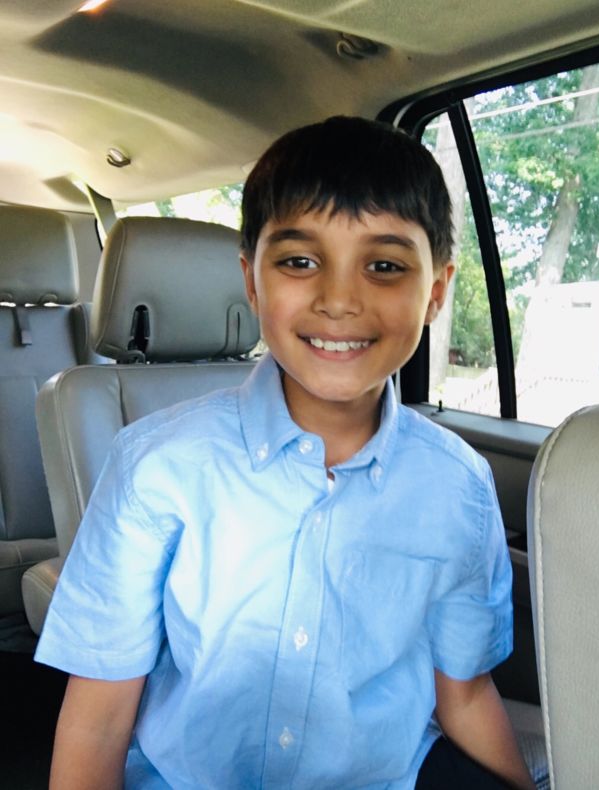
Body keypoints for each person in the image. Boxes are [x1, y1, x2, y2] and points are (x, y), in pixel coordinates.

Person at [35, 115, 535, 790]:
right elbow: (98, 720)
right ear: (252, 282)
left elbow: (465, 694)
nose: (339, 300)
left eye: (385, 267)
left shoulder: (460, 487)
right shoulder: (157, 467)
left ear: (436, 293)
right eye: (300, 261)